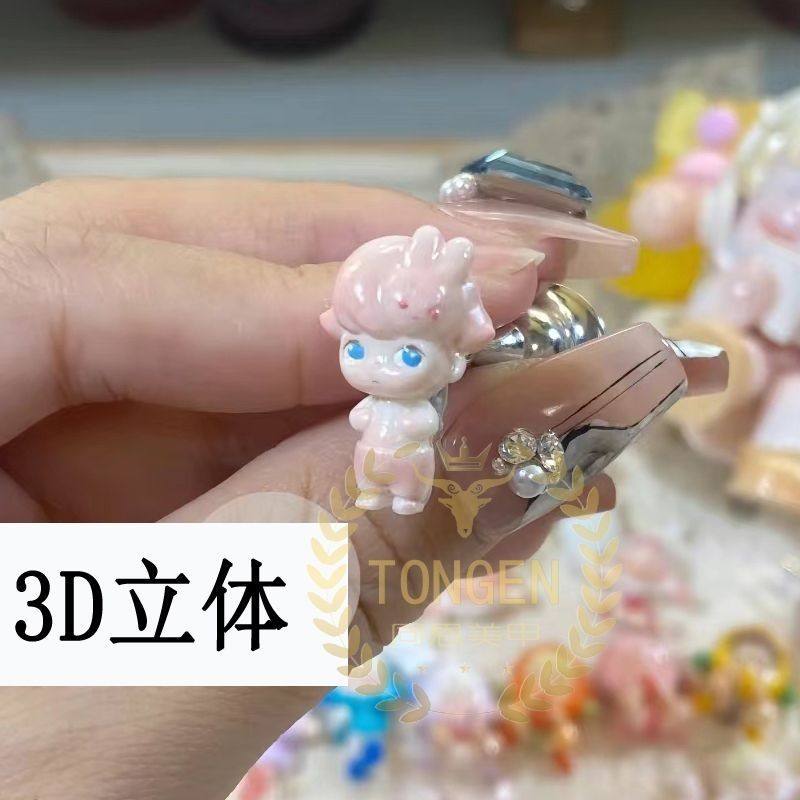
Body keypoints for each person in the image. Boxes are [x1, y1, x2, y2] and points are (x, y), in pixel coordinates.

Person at [0, 178, 717, 800]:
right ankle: (401, 504)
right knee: (391, 491)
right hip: (389, 453)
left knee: (408, 486)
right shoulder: (389, 396)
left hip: (410, 450)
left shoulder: (429, 393)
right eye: (355, 349)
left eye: (404, 353)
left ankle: (403, 503)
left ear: (447, 351)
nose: (378, 368)